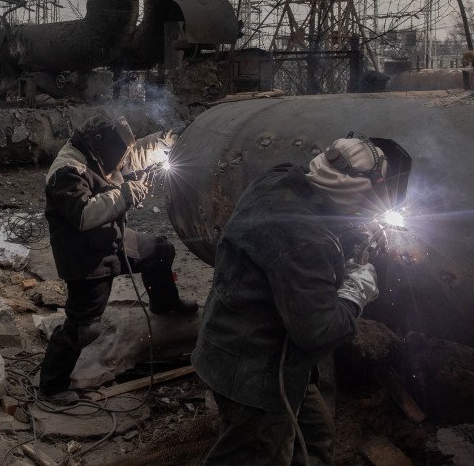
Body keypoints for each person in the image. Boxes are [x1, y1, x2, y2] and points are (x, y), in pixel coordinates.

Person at [193, 133, 411, 465]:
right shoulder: (306, 243)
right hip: (256, 371)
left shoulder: (281, 178)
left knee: (315, 436)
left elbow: (306, 224)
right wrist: (355, 292)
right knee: (254, 453)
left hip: (236, 340)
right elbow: (318, 331)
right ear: (355, 191)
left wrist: (352, 233)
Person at [38, 114, 198, 404]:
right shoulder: (66, 171)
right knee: (85, 328)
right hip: (85, 259)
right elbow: (84, 215)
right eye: (118, 153)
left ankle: (164, 304)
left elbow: (133, 155)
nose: (122, 160)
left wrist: (164, 141)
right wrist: (124, 195)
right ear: (100, 147)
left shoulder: (99, 153)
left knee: (161, 251)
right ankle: (52, 386)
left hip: (113, 239)